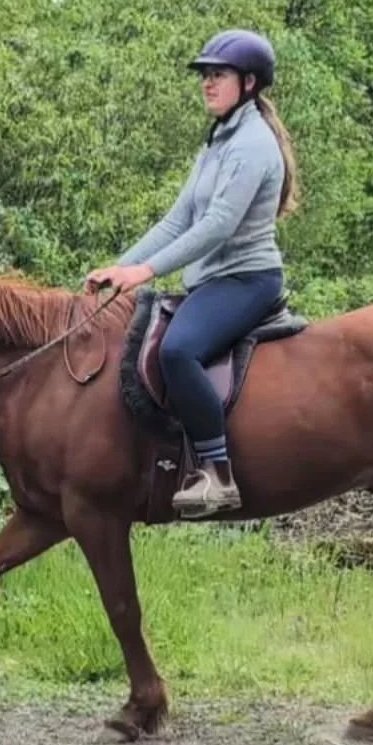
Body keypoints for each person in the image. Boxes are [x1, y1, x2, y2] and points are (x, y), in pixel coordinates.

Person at [84, 28, 299, 517]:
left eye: (217, 75)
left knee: (178, 350)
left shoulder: (252, 145)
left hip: (247, 280)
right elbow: (179, 218)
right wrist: (122, 266)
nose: (207, 83)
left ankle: (217, 474)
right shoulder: (218, 141)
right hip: (213, 280)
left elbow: (218, 226)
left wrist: (148, 270)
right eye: (205, 75)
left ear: (248, 83)